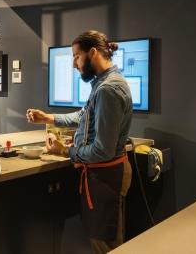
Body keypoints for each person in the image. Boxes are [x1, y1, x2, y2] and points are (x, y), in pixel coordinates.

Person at [27, 30, 133, 254]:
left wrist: (66, 151)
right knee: (104, 238)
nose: (74, 64)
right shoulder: (105, 82)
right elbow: (84, 115)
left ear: (93, 52)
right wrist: (49, 117)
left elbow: (102, 150)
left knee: (106, 244)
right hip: (104, 175)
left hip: (106, 176)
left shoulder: (107, 90)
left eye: (76, 56)